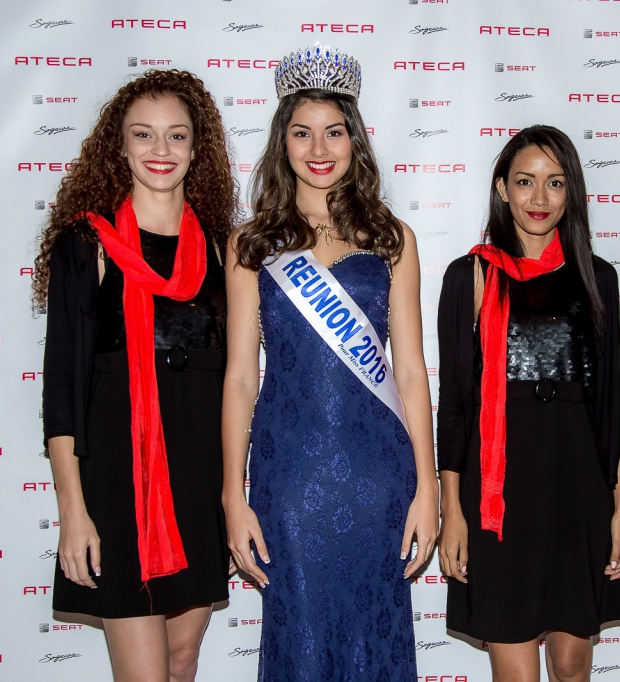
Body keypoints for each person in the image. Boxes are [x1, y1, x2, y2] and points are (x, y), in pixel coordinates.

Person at [221, 43, 438, 680]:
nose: (319, 148)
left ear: (355, 140)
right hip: (289, 476)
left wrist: (427, 488)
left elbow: (409, 372)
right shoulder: (251, 244)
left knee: (373, 633)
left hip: (378, 476)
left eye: (334, 131)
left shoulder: (392, 239)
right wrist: (232, 495)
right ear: (281, 142)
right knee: (302, 640)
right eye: (302, 132)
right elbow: (240, 378)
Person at [34, 69, 237, 682]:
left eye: (177, 135)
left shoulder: (223, 250)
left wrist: (232, 498)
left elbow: (235, 384)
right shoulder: (86, 245)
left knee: (181, 661)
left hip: (197, 485)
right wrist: (73, 512)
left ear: (197, 148)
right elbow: (62, 391)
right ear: (118, 146)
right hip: (118, 491)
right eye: (143, 134)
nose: (160, 149)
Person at [437, 125, 620, 682]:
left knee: (571, 667)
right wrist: (454, 511)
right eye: (525, 182)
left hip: (578, 491)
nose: (539, 198)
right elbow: (455, 407)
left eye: (555, 183)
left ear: (572, 191)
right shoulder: (470, 276)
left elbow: (608, 406)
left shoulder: (597, 277)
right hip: (498, 499)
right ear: (503, 188)